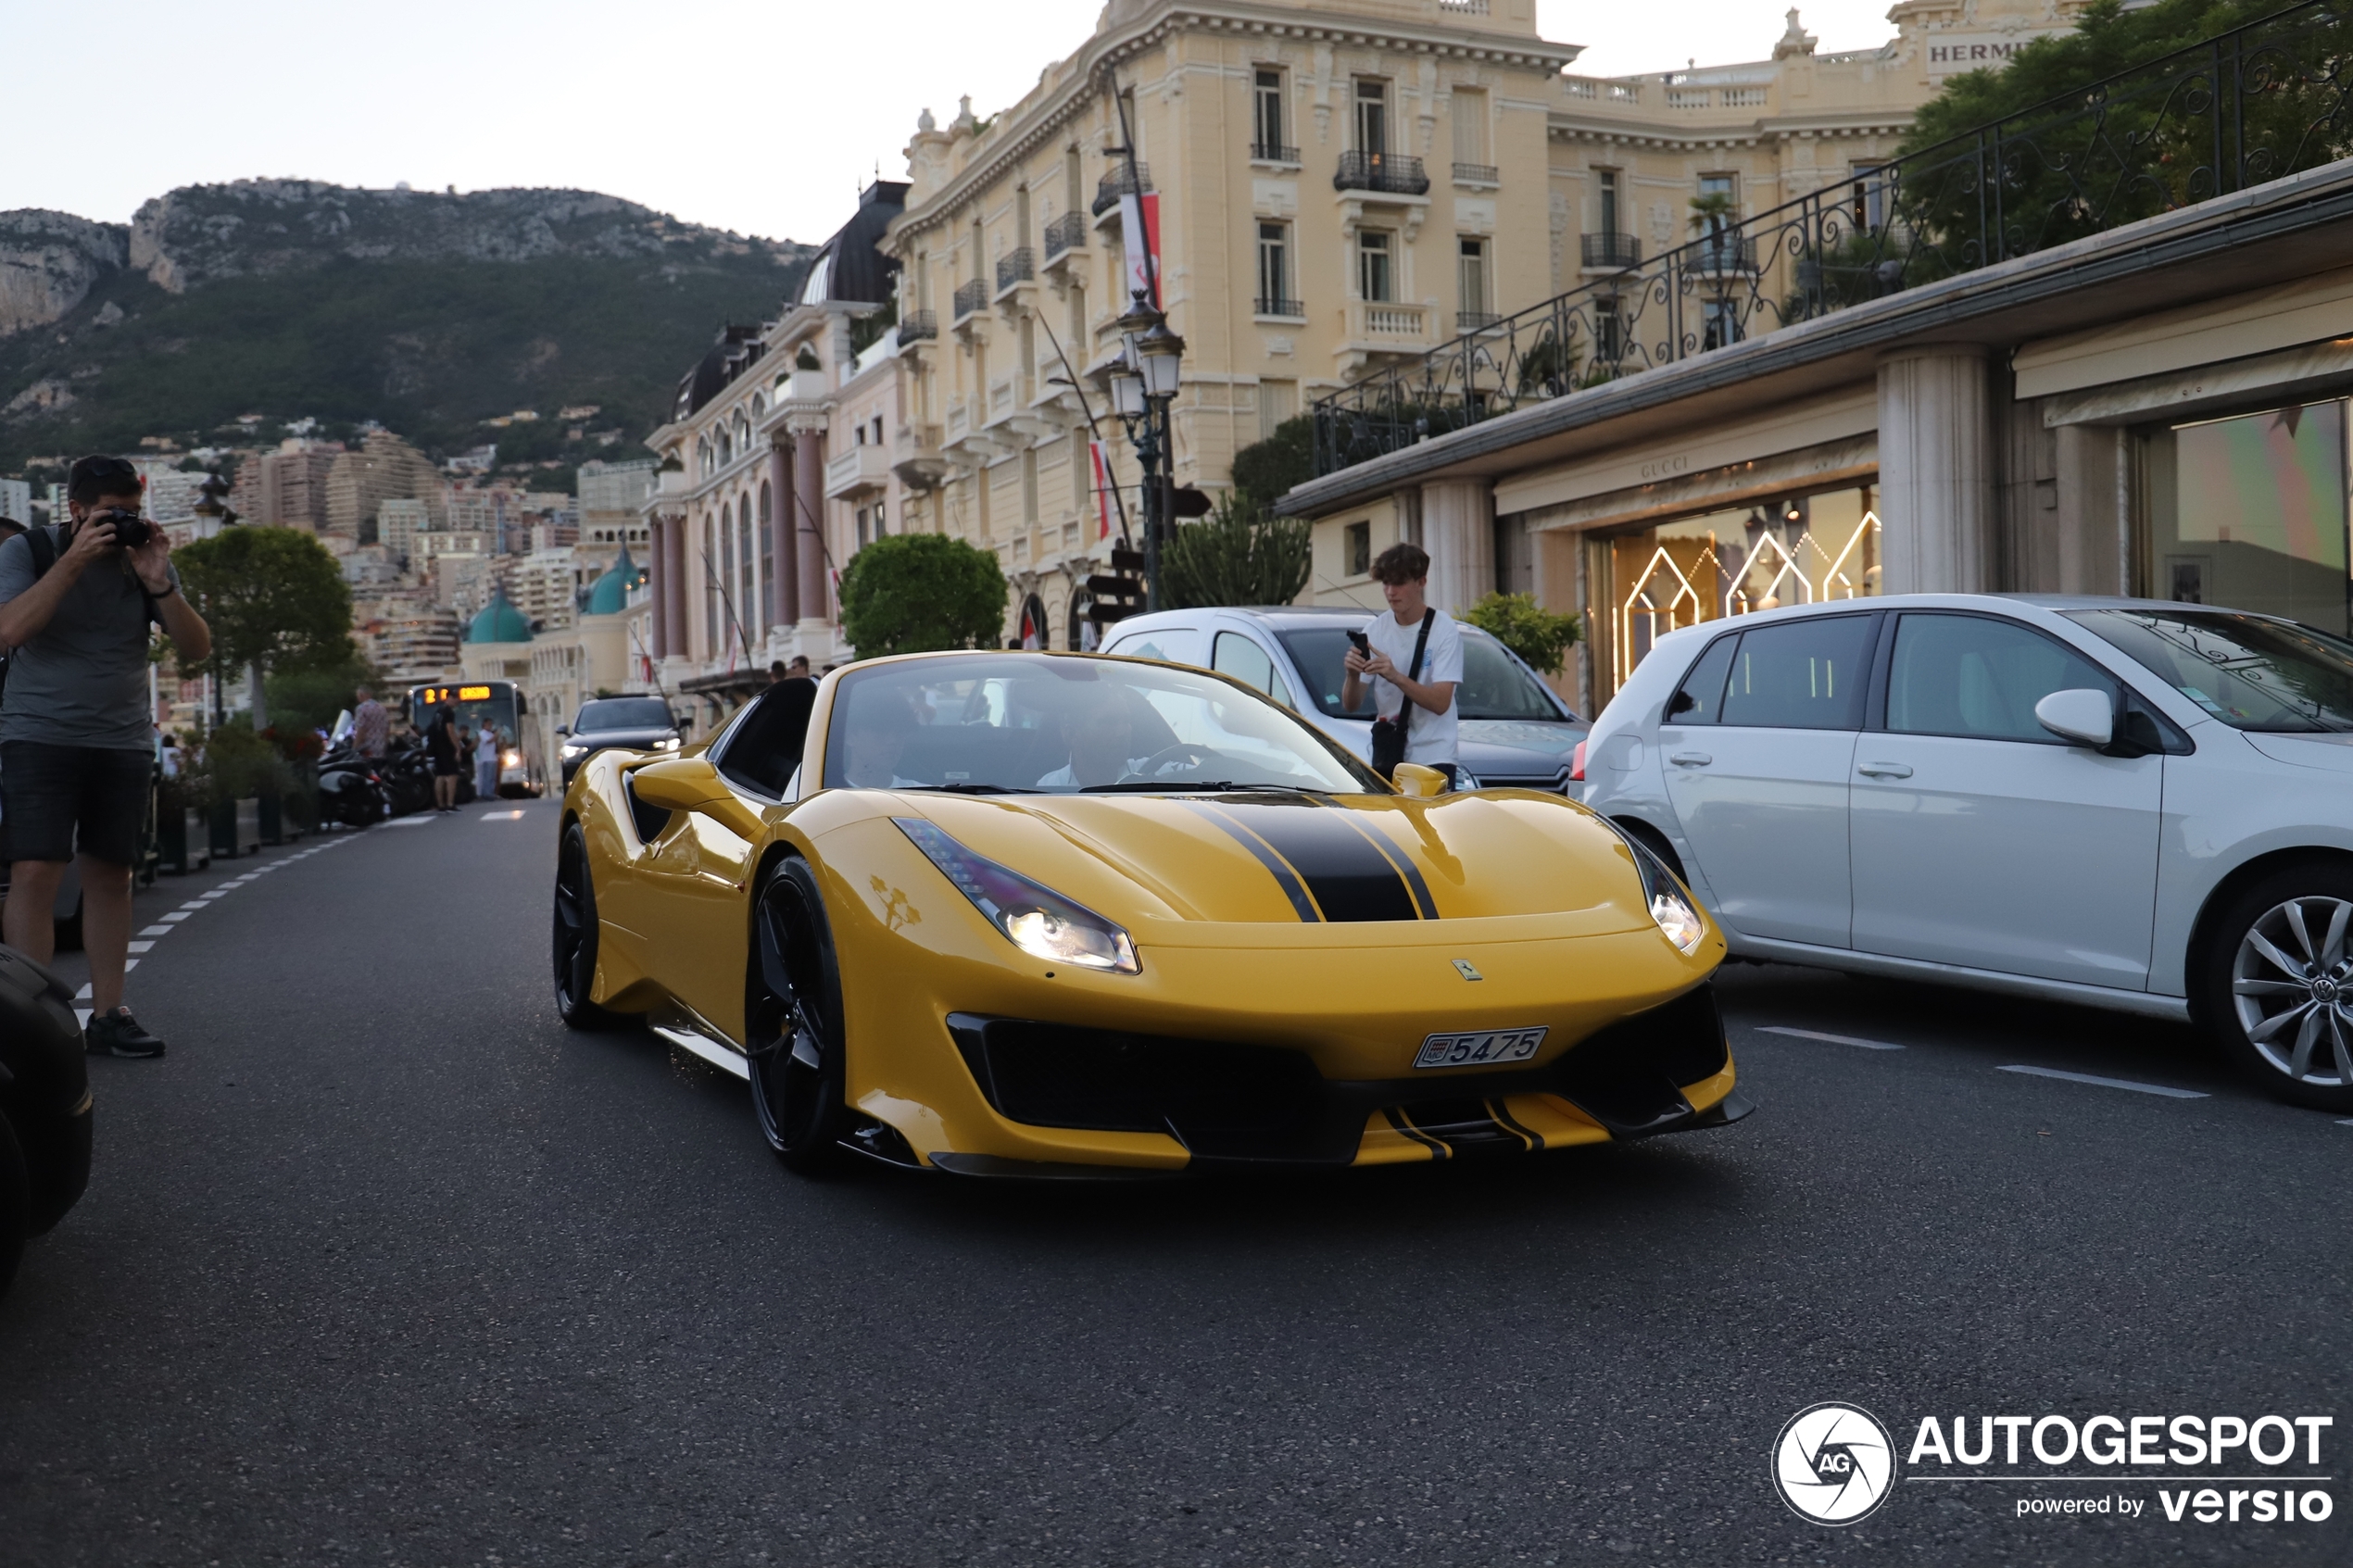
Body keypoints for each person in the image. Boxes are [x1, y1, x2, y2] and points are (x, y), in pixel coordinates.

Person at [0, 455, 212, 1058]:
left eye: (131, 513)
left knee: (111, 875)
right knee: (35, 871)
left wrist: (158, 577)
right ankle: (29, 1021)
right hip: (38, 733)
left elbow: (196, 647)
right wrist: (73, 561)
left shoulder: (140, 559)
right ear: (74, 510)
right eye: (109, 515)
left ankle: (110, 1012)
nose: (121, 525)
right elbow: (9, 629)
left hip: (120, 738)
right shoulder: (30, 552)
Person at [1341, 542, 1463, 788]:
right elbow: (1351, 705)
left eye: (1399, 583)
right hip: (1390, 753)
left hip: (1434, 755)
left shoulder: (1444, 630)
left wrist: (1395, 676)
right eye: (1386, 583)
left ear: (1421, 582)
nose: (1390, 592)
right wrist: (1352, 675)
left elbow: (1441, 703)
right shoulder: (1375, 630)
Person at [425, 707, 460, 811]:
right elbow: (450, 730)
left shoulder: (438, 712)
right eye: (455, 698)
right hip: (447, 748)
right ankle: (450, 803)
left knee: (440, 775)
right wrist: (457, 747)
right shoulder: (449, 712)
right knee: (452, 775)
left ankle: (440, 804)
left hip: (436, 748)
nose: (457, 701)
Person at [350, 685, 389, 760]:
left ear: (362, 695)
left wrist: (354, 748)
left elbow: (361, 730)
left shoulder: (361, 709)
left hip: (367, 749)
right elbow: (387, 729)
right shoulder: (382, 708)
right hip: (380, 748)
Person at [474, 721, 499, 802]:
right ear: (484, 725)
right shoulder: (482, 733)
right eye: (488, 724)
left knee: (492, 777)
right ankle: (486, 794)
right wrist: (496, 734)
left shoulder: (491, 734)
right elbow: (489, 741)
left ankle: (491, 793)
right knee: (487, 777)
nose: (490, 726)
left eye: (491, 724)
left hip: (492, 758)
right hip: (486, 759)